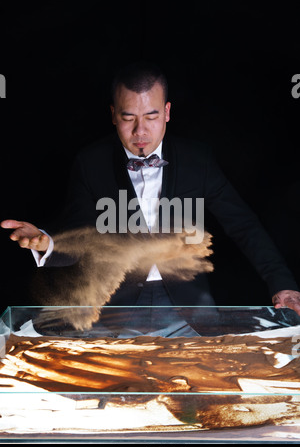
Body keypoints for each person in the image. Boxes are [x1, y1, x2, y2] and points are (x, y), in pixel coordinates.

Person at [1, 62, 300, 332]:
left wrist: (283, 285)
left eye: (151, 117)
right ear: (114, 115)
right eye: (128, 117)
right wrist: (46, 241)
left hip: (190, 312)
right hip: (114, 311)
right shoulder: (90, 163)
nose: (140, 131)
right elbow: (82, 234)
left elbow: (244, 225)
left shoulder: (198, 161)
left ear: (167, 113)